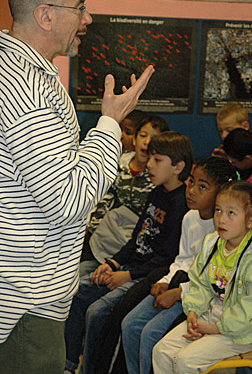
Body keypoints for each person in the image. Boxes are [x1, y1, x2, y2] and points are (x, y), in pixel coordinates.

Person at [0, 0, 153, 374]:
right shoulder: (25, 87)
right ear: (45, 15)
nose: (89, 18)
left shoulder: (26, 74)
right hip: (25, 303)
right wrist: (109, 123)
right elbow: (68, 200)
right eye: (80, 7)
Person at [64, 131, 194, 374]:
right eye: (150, 158)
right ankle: (70, 364)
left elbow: (167, 260)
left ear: (178, 167)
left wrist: (127, 274)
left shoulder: (181, 205)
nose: (149, 164)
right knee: (76, 291)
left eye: (157, 160)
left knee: (97, 311)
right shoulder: (156, 193)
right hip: (127, 268)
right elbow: (136, 238)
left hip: (144, 277)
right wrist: (113, 263)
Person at [152, 180, 252, 374]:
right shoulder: (213, 242)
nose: (221, 219)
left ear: (251, 221)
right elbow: (200, 283)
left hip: (242, 331)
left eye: (231, 213)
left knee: (185, 362)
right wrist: (193, 312)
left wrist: (214, 329)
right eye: (218, 210)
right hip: (208, 318)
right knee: (161, 351)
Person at [121, 157, 239, 374]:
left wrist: (177, 294)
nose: (191, 190)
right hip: (181, 284)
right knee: (130, 324)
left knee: (150, 334)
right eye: (191, 182)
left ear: (221, 192)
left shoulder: (224, 230)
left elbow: (212, 282)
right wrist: (166, 281)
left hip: (202, 298)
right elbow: (183, 259)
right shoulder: (190, 217)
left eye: (202, 187)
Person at [81, 114, 169, 266]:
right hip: (108, 234)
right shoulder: (118, 164)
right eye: (143, 136)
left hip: (138, 240)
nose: (147, 142)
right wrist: (93, 229)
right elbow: (105, 197)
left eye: (154, 139)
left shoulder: (158, 176)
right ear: (134, 140)